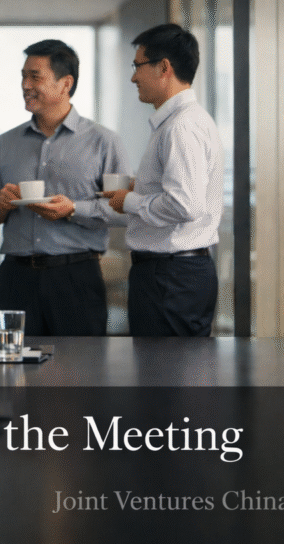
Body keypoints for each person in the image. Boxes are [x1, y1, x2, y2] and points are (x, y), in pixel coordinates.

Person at [0, 39, 130, 336]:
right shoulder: (5, 143)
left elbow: (123, 211)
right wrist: (0, 205)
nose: (25, 84)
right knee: (16, 374)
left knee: (80, 373)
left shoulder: (104, 142)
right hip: (15, 277)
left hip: (75, 277)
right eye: (23, 76)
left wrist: (72, 209)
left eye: (35, 76)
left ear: (65, 83)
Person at [103, 24, 223, 336]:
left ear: (164, 68)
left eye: (138, 66)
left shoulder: (180, 128)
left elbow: (185, 205)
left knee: (167, 378)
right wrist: (139, 187)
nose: (133, 77)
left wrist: (127, 201)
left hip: (170, 276)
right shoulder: (186, 121)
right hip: (173, 274)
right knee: (169, 376)